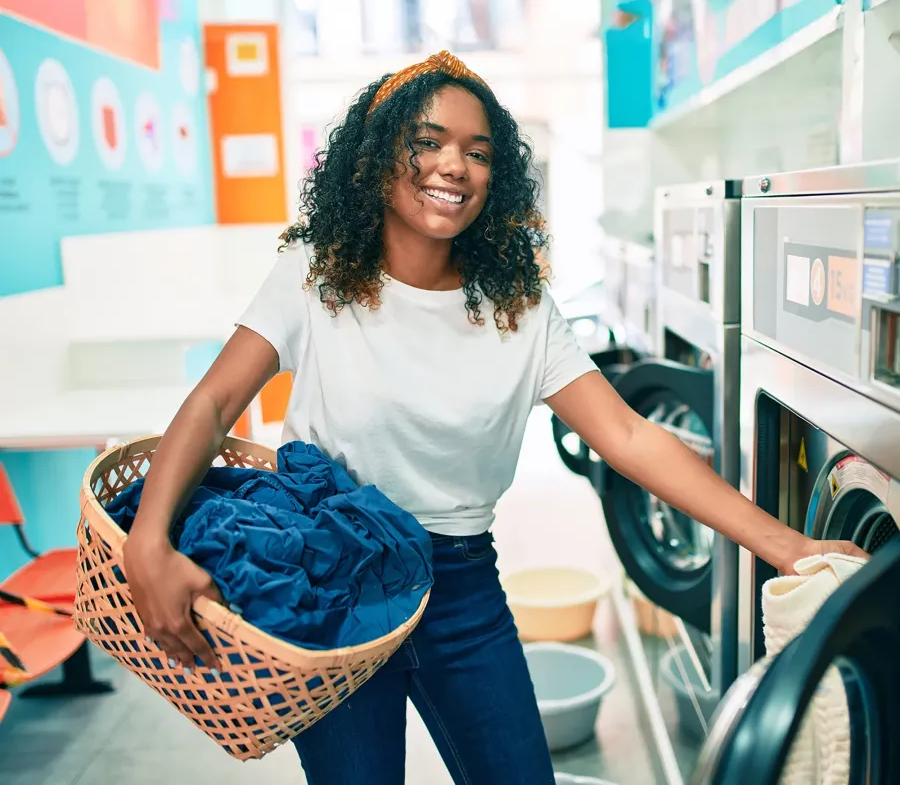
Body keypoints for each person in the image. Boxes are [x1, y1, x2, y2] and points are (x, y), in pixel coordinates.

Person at [123, 50, 866, 785]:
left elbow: (628, 435)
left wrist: (788, 546)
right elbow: (215, 403)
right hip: (333, 578)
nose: (455, 166)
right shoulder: (315, 278)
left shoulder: (518, 309)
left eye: (477, 153)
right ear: (377, 160)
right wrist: (147, 543)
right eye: (428, 142)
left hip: (461, 587)